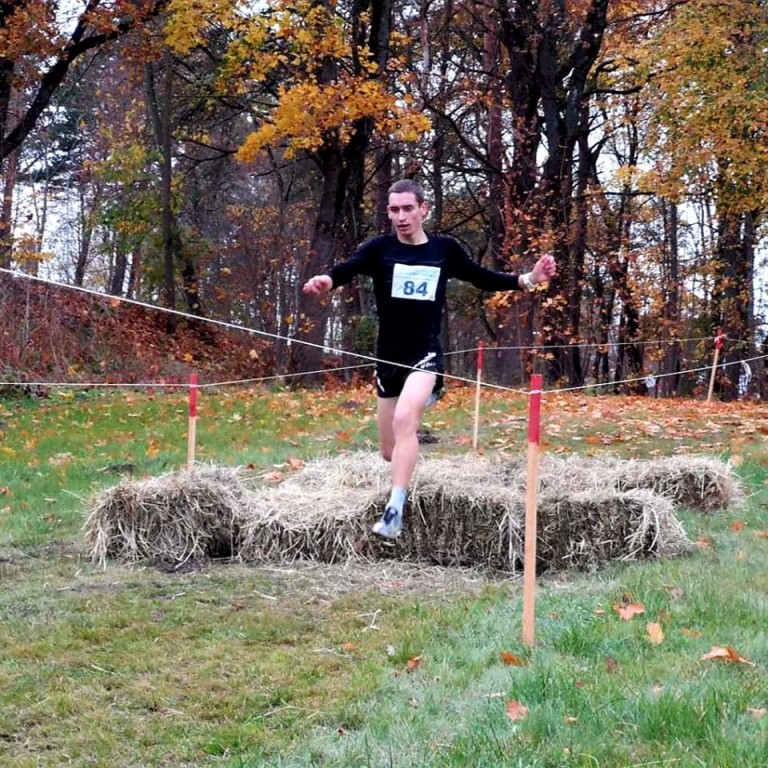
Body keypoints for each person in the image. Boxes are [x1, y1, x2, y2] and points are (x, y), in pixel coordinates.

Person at [303, 179, 556, 539]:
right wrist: (327, 280)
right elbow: (349, 266)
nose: (401, 217)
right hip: (388, 359)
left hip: (425, 354)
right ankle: (408, 445)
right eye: (394, 210)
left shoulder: (444, 250)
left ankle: (394, 511)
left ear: (423, 209)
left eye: (408, 208)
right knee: (389, 451)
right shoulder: (379, 249)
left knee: (405, 418)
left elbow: (482, 278)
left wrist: (529, 278)